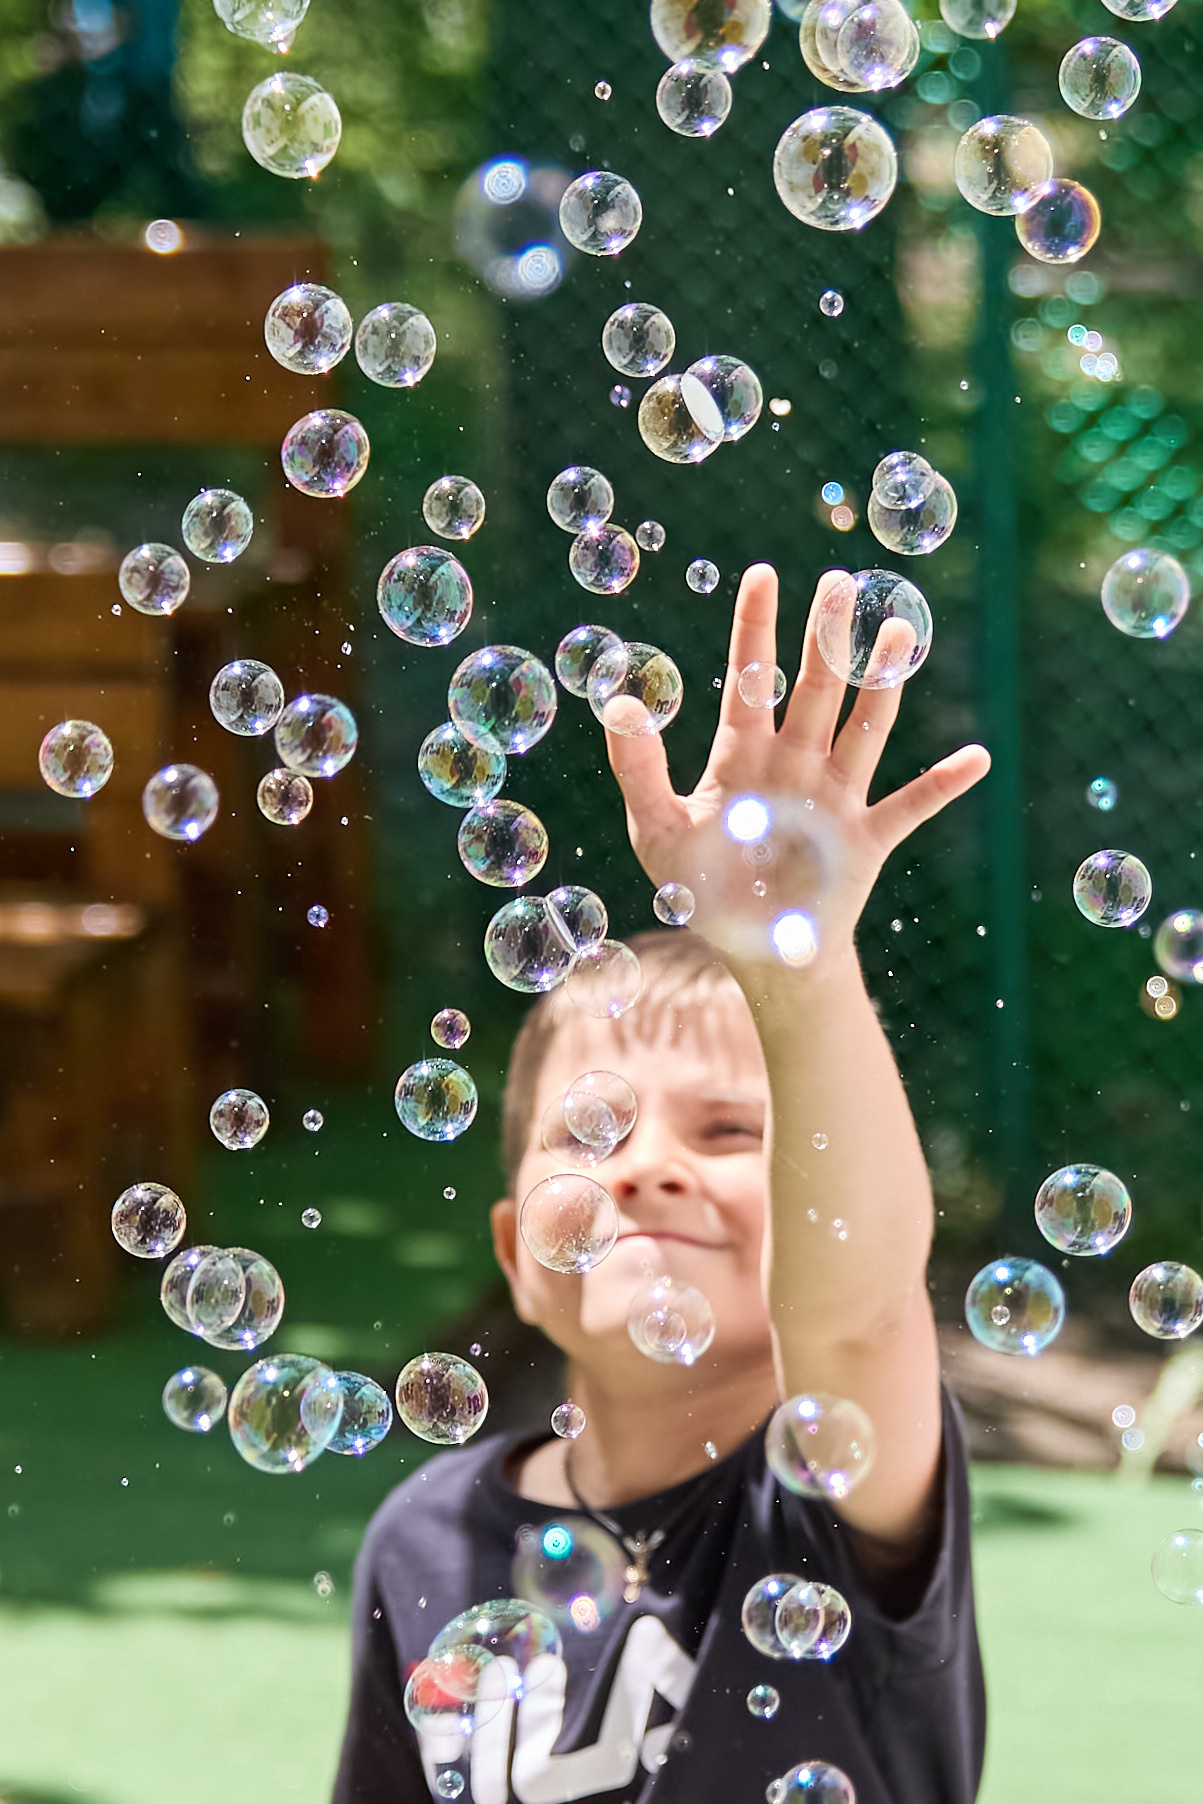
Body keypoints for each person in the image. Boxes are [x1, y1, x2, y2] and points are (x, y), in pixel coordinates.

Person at [333, 565, 991, 1804]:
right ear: (521, 1251)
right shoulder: (424, 1539)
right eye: (594, 1131)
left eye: (733, 1129)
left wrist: (794, 966)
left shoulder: (827, 1508)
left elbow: (855, 1309)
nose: (649, 1166)